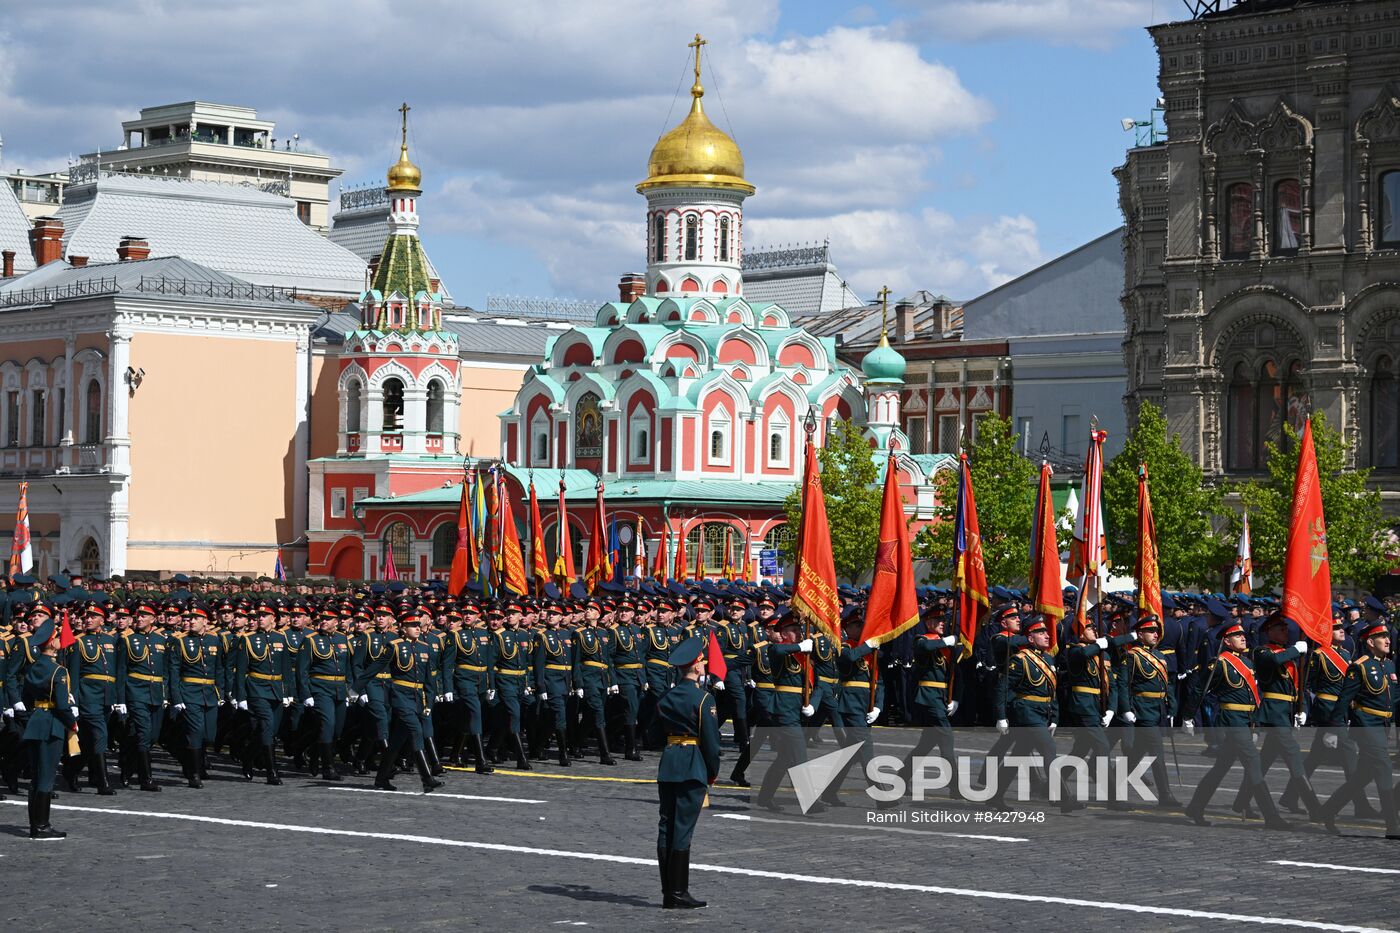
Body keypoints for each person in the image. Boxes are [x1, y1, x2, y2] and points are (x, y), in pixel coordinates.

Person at [1179, 619, 1289, 829]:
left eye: (1243, 635)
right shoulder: (1219, 663)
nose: (1243, 637)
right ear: (1227, 641)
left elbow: (1252, 696)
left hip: (1245, 722)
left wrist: (1254, 724)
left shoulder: (1248, 663)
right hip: (1231, 721)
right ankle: (1272, 817)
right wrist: (1188, 716)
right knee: (1254, 764)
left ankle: (1195, 806)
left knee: (1220, 768)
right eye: (1237, 636)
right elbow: (1200, 690)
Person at [655, 635, 721, 910]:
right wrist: (712, 772)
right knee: (682, 830)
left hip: (669, 762)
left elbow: (653, 732)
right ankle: (678, 893)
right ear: (695, 667)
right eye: (702, 662)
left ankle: (668, 890)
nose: (704, 665)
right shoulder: (704, 699)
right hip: (692, 764)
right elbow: (711, 743)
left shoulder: (666, 697)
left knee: (665, 827)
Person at [1317, 619, 1400, 838]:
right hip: (1366, 726)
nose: (1387, 640)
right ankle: (1393, 826)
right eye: (1382, 637)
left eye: (1387, 637)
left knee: (1362, 776)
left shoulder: (1389, 665)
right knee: (1383, 770)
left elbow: (1394, 698)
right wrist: (1333, 730)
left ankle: (1327, 811)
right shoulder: (1359, 666)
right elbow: (1344, 700)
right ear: (1370, 642)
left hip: (1383, 727)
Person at [21, 611, 77, 839]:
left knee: (36, 776)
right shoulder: (58, 671)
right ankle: (42, 827)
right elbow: (62, 706)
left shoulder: (33, 667)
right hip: (51, 723)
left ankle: (36, 824)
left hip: (35, 721)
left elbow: (26, 699)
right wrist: (72, 723)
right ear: (52, 642)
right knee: (46, 777)